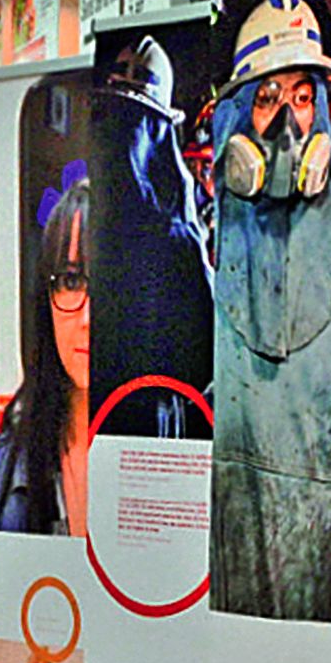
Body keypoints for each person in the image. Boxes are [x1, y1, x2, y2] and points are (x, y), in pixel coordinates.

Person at [208, 0, 331, 624]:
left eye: (303, 98)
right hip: (207, 569)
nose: (288, 121)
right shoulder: (197, 246)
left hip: (306, 586)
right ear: (236, 118)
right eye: (267, 98)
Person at [87, 34, 213, 439]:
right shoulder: (86, 216)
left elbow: (201, 356)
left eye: (133, 120)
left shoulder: (177, 234)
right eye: (116, 117)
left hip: (148, 420)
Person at [0, 174, 90, 536]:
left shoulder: (184, 450)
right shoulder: (11, 457)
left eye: (110, 285)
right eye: (72, 282)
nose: (88, 318)